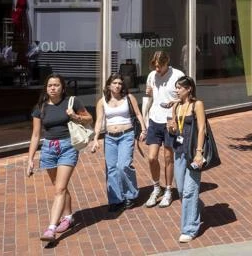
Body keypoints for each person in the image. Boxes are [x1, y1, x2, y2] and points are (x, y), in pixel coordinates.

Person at [26, 73, 93, 241]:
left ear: (63, 88)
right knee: (59, 187)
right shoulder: (40, 107)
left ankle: (51, 228)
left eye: (56, 85)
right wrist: (30, 159)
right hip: (48, 149)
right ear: (46, 88)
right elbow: (35, 135)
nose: (53, 88)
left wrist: (75, 116)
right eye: (50, 85)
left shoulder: (72, 102)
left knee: (59, 189)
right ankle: (68, 217)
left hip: (68, 147)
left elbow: (89, 118)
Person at [90, 73, 148, 212]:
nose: (117, 86)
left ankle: (130, 195)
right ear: (109, 85)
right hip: (110, 138)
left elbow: (138, 114)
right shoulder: (102, 101)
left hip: (126, 135)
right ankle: (115, 199)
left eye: (120, 83)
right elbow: (99, 121)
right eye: (114, 83)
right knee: (111, 169)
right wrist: (95, 138)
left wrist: (143, 129)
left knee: (123, 166)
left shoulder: (129, 98)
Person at [167, 76, 206, 243]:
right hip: (179, 150)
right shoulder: (176, 106)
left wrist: (199, 152)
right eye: (176, 87)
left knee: (190, 191)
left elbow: (202, 128)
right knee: (182, 189)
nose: (176, 90)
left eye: (179, 87)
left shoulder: (197, 105)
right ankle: (195, 209)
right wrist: (172, 128)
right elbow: (176, 130)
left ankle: (189, 229)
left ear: (189, 89)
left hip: (193, 151)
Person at [144, 51, 184, 208]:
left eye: (159, 66)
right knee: (151, 157)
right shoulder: (152, 76)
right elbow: (149, 97)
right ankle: (156, 188)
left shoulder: (178, 75)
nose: (157, 69)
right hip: (154, 119)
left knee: (168, 157)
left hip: (170, 121)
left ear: (167, 62)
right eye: (155, 66)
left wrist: (174, 103)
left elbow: (186, 97)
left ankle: (168, 190)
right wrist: (145, 121)